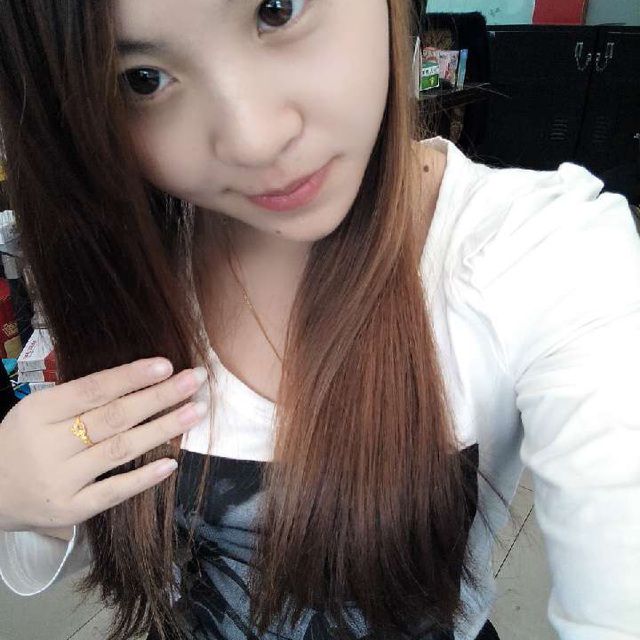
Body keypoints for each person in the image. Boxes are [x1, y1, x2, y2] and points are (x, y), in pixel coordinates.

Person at [0, 1, 638, 639]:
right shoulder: (133, 262)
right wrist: (19, 494)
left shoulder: (542, 253)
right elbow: (71, 535)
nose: (253, 139)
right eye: (143, 79)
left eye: (277, 11)